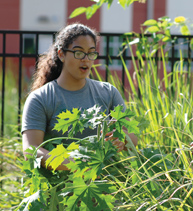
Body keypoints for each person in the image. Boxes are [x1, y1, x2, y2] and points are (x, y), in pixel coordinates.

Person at [22, 23, 138, 171]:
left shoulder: (108, 92)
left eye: (91, 53)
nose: (86, 59)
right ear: (61, 54)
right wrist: (73, 163)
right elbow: (30, 151)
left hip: (107, 186)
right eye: (78, 53)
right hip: (60, 188)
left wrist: (122, 140)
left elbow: (133, 137)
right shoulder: (41, 98)